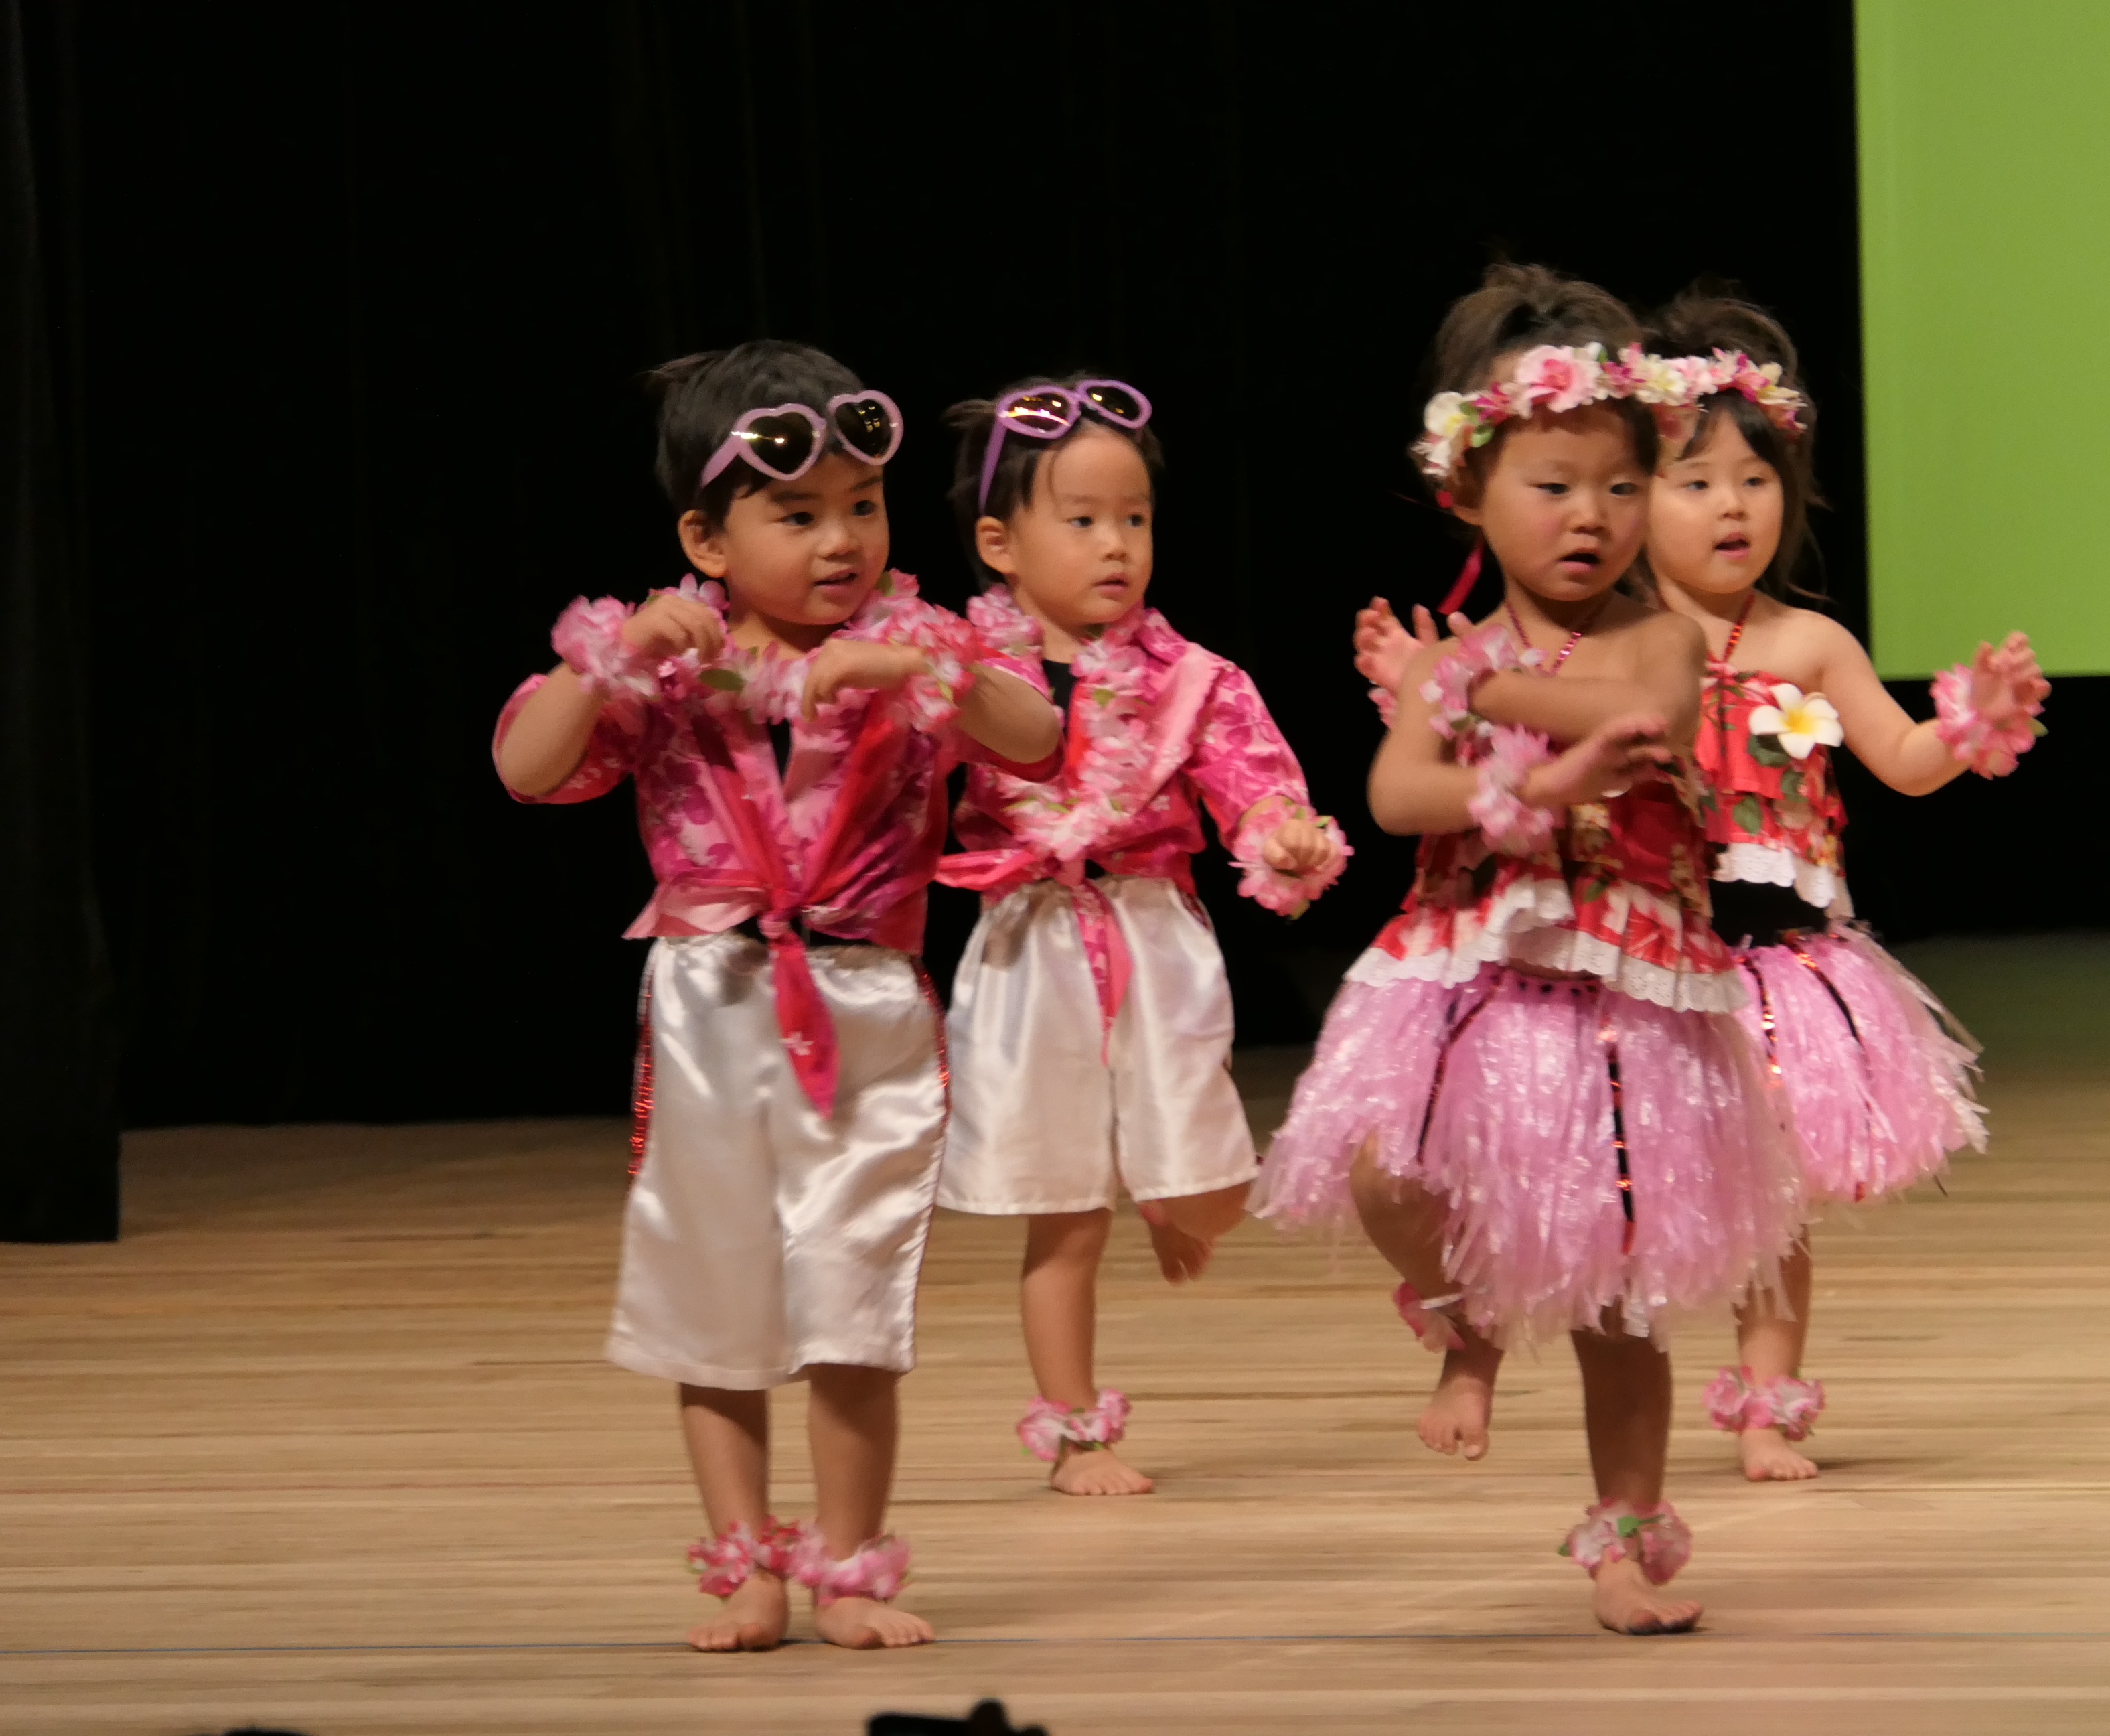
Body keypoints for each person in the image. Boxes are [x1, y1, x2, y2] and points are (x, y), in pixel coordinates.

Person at [491, 340, 1060, 1652]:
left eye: (862, 506)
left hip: (868, 1000)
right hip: (712, 1004)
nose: (840, 539)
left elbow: (1037, 739)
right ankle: (744, 1563)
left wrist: (929, 672)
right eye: (796, 516)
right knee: (719, 1298)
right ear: (707, 538)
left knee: (857, 1294)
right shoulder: (668, 666)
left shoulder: (913, 645)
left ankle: (849, 1566)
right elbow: (527, 767)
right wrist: (611, 658)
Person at [1260, 265, 1801, 1637]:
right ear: (1469, 493)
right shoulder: (1465, 656)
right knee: (1385, 1168)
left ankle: (1624, 1543)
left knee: (1619, 1301)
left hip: (1626, 992)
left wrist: (1461, 684)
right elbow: (1398, 795)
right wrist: (1502, 765)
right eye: (1554, 487)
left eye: (1622, 488)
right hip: (1474, 974)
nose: (1592, 518)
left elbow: (1637, 712)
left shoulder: (1659, 639)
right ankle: (1463, 1319)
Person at [1636, 292, 2048, 1480]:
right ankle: (1627, 1405)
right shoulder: (1615, 641)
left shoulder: (1810, 645)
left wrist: (1969, 723)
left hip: (1782, 970)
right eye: (1696, 482)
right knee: (1646, 1186)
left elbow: (1904, 762)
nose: (1732, 506)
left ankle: (1767, 1408)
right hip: (1651, 959)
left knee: (1773, 1200)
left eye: (1755, 481)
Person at [933, 376, 1347, 1496]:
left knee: (1214, 1188)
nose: (1116, 544)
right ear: (1000, 543)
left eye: (1135, 518)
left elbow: (1255, 786)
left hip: (1153, 937)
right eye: (1082, 519)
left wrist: (1284, 834)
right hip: (1030, 947)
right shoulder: (962, 673)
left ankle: (1174, 1199)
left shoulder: (1194, 680)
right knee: (1065, 1218)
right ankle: (1077, 1436)